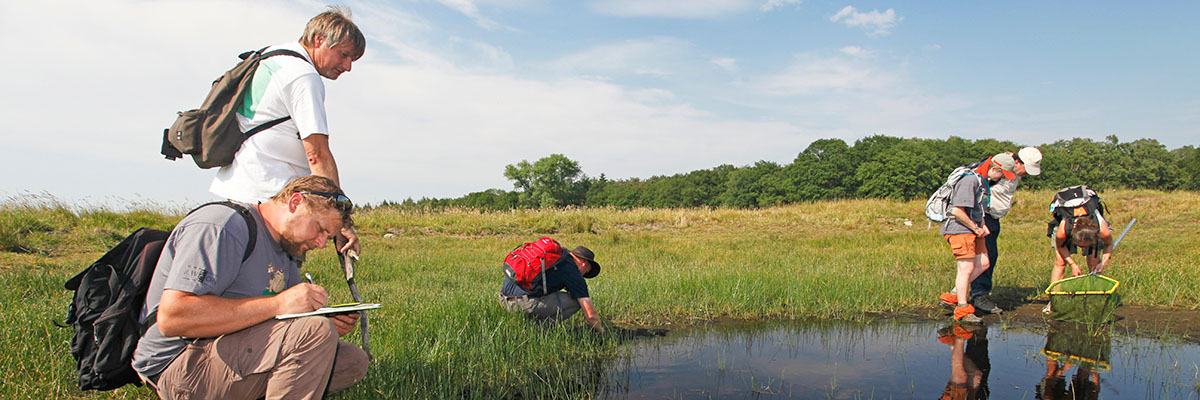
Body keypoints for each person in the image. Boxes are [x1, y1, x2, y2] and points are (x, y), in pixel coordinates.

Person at [132, 176, 368, 399]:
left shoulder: (288, 246)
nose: (319, 243)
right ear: (295, 202)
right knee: (314, 332)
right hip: (180, 364)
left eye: (327, 237)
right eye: (319, 229)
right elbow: (173, 318)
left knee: (351, 360)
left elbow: (290, 322)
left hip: (229, 350)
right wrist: (281, 304)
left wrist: (326, 321)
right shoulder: (223, 226)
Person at [208, 6, 365, 254]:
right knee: (270, 283)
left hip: (238, 188)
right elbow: (317, 154)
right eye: (343, 55)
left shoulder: (270, 58)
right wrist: (340, 217)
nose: (347, 66)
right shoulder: (303, 76)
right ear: (319, 40)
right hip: (271, 199)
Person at [938, 154, 1016, 323]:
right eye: (1002, 174)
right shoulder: (969, 180)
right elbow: (957, 211)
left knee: (984, 263)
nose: (1002, 178)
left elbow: (980, 208)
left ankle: (953, 297)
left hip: (974, 229)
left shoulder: (983, 182)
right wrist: (974, 227)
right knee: (965, 268)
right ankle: (963, 309)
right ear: (994, 168)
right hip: (960, 229)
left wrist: (982, 225)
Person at [970, 147, 1043, 314]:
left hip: (993, 219)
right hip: (983, 217)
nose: (1026, 174)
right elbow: (977, 186)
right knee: (984, 257)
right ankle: (978, 296)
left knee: (989, 256)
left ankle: (972, 294)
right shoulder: (999, 167)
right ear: (1017, 162)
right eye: (1026, 169)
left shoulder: (1013, 173)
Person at [498, 245, 605, 332]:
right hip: (520, 304)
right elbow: (591, 315)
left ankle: (526, 323)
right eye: (586, 272)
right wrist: (602, 331)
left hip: (503, 299)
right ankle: (539, 329)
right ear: (584, 263)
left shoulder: (555, 257)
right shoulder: (572, 271)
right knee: (577, 302)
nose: (583, 275)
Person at [1045, 187, 1113, 313]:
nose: (1082, 249)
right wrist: (1073, 264)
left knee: (1094, 261)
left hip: (1091, 227)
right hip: (1067, 224)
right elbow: (1061, 246)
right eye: (1080, 245)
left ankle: (1095, 300)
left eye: (1085, 246)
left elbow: (1109, 245)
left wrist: (1103, 263)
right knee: (1060, 262)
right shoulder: (1064, 230)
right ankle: (1054, 301)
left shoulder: (1102, 228)